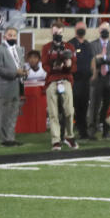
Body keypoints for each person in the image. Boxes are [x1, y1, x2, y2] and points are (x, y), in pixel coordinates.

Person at [42, 21, 78, 151]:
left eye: (59, 32)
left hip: (66, 79)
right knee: (53, 113)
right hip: (52, 80)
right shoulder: (46, 47)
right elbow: (44, 65)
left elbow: (74, 66)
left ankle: (69, 136)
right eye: (55, 32)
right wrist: (53, 67)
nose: (57, 34)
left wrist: (68, 65)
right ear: (52, 32)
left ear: (63, 32)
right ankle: (56, 140)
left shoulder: (69, 46)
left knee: (69, 111)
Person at [88, 22, 110, 139]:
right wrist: (107, 58)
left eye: (106, 29)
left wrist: (102, 57)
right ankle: (91, 132)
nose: (104, 31)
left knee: (109, 106)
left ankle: (107, 131)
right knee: (94, 106)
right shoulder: (92, 45)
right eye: (102, 29)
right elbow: (93, 60)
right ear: (98, 30)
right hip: (97, 77)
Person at [0, 26, 26, 146]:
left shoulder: (19, 49)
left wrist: (24, 73)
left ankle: (11, 138)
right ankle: (5, 140)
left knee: (14, 113)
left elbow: (21, 65)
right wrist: (15, 73)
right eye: (10, 35)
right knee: (4, 114)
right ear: (4, 36)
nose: (12, 37)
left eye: (14, 35)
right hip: (4, 87)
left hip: (17, 85)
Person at [67, 21, 94, 139]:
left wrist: (93, 74)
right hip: (74, 80)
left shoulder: (88, 45)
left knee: (84, 107)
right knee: (71, 107)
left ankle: (83, 132)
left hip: (86, 81)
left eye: (83, 28)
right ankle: (67, 133)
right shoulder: (70, 44)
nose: (81, 30)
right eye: (79, 28)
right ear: (75, 30)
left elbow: (92, 60)